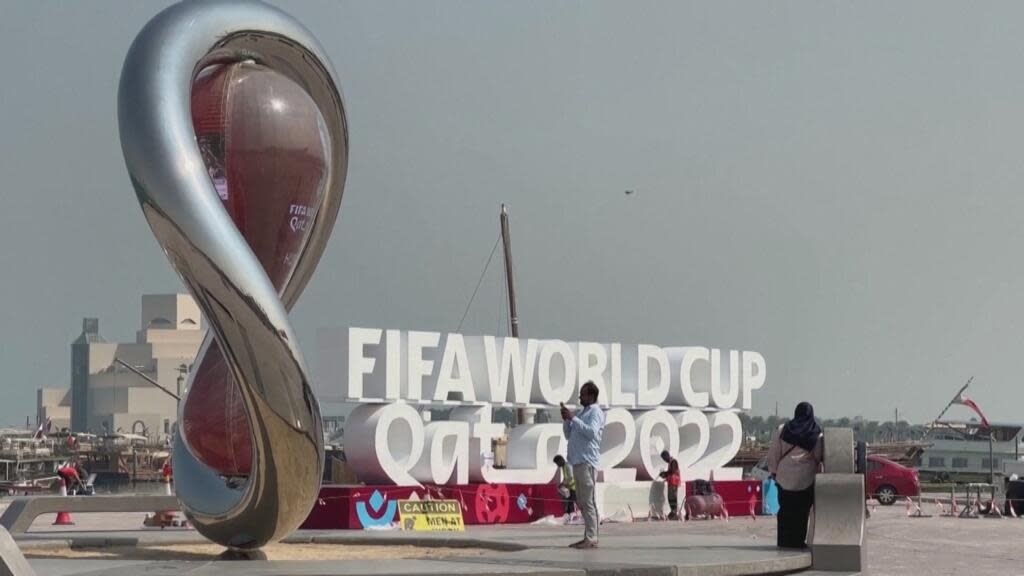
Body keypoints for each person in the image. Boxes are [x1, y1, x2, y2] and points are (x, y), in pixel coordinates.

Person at [767, 402, 823, 549]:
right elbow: (818, 456)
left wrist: (773, 471)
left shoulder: (782, 429)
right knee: (802, 512)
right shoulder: (816, 433)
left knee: (785, 509)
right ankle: (797, 541)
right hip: (806, 477)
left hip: (784, 476)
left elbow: (774, 452)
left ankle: (784, 541)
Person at [561, 381, 605, 549]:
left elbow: (591, 433)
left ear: (591, 396)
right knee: (582, 500)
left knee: (588, 501)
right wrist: (567, 420)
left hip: (588, 462)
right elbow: (568, 434)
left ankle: (592, 537)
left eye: (583, 394)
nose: (580, 397)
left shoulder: (596, 412)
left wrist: (574, 418)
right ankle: (588, 535)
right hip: (577, 462)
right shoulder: (582, 412)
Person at [659, 450, 681, 519]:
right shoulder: (670, 462)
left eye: (664, 458)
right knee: (670, 497)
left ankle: (674, 512)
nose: (664, 460)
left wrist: (664, 474)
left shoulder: (673, 461)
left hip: (674, 482)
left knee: (673, 497)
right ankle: (673, 512)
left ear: (667, 456)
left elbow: (672, 471)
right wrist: (664, 474)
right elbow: (670, 472)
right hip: (671, 482)